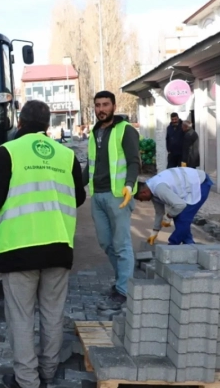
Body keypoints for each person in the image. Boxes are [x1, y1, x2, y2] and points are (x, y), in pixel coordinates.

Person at [0, 100, 86, 388]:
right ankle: (48, 371)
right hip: (59, 247)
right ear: (47, 125)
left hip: (19, 250)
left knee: (21, 318)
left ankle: (27, 381)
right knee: (52, 313)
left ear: (19, 122)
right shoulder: (66, 155)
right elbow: (79, 197)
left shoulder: (6, 152)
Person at [83, 91, 140, 311]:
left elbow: (134, 161)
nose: (101, 109)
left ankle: (125, 290)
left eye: (105, 104)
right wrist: (75, 186)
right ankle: (121, 283)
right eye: (97, 105)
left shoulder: (125, 130)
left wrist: (129, 185)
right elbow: (91, 165)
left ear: (114, 106)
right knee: (106, 243)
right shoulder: (95, 132)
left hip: (118, 196)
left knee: (122, 244)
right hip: (98, 195)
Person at [135, 167, 213, 245]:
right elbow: (159, 213)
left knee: (183, 217)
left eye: (140, 199)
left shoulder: (159, 189)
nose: (142, 201)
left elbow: (180, 205)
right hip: (190, 183)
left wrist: (168, 216)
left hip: (200, 183)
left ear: (144, 193)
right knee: (177, 215)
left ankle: (172, 245)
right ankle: (189, 243)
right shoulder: (151, 190)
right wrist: (155, 232)